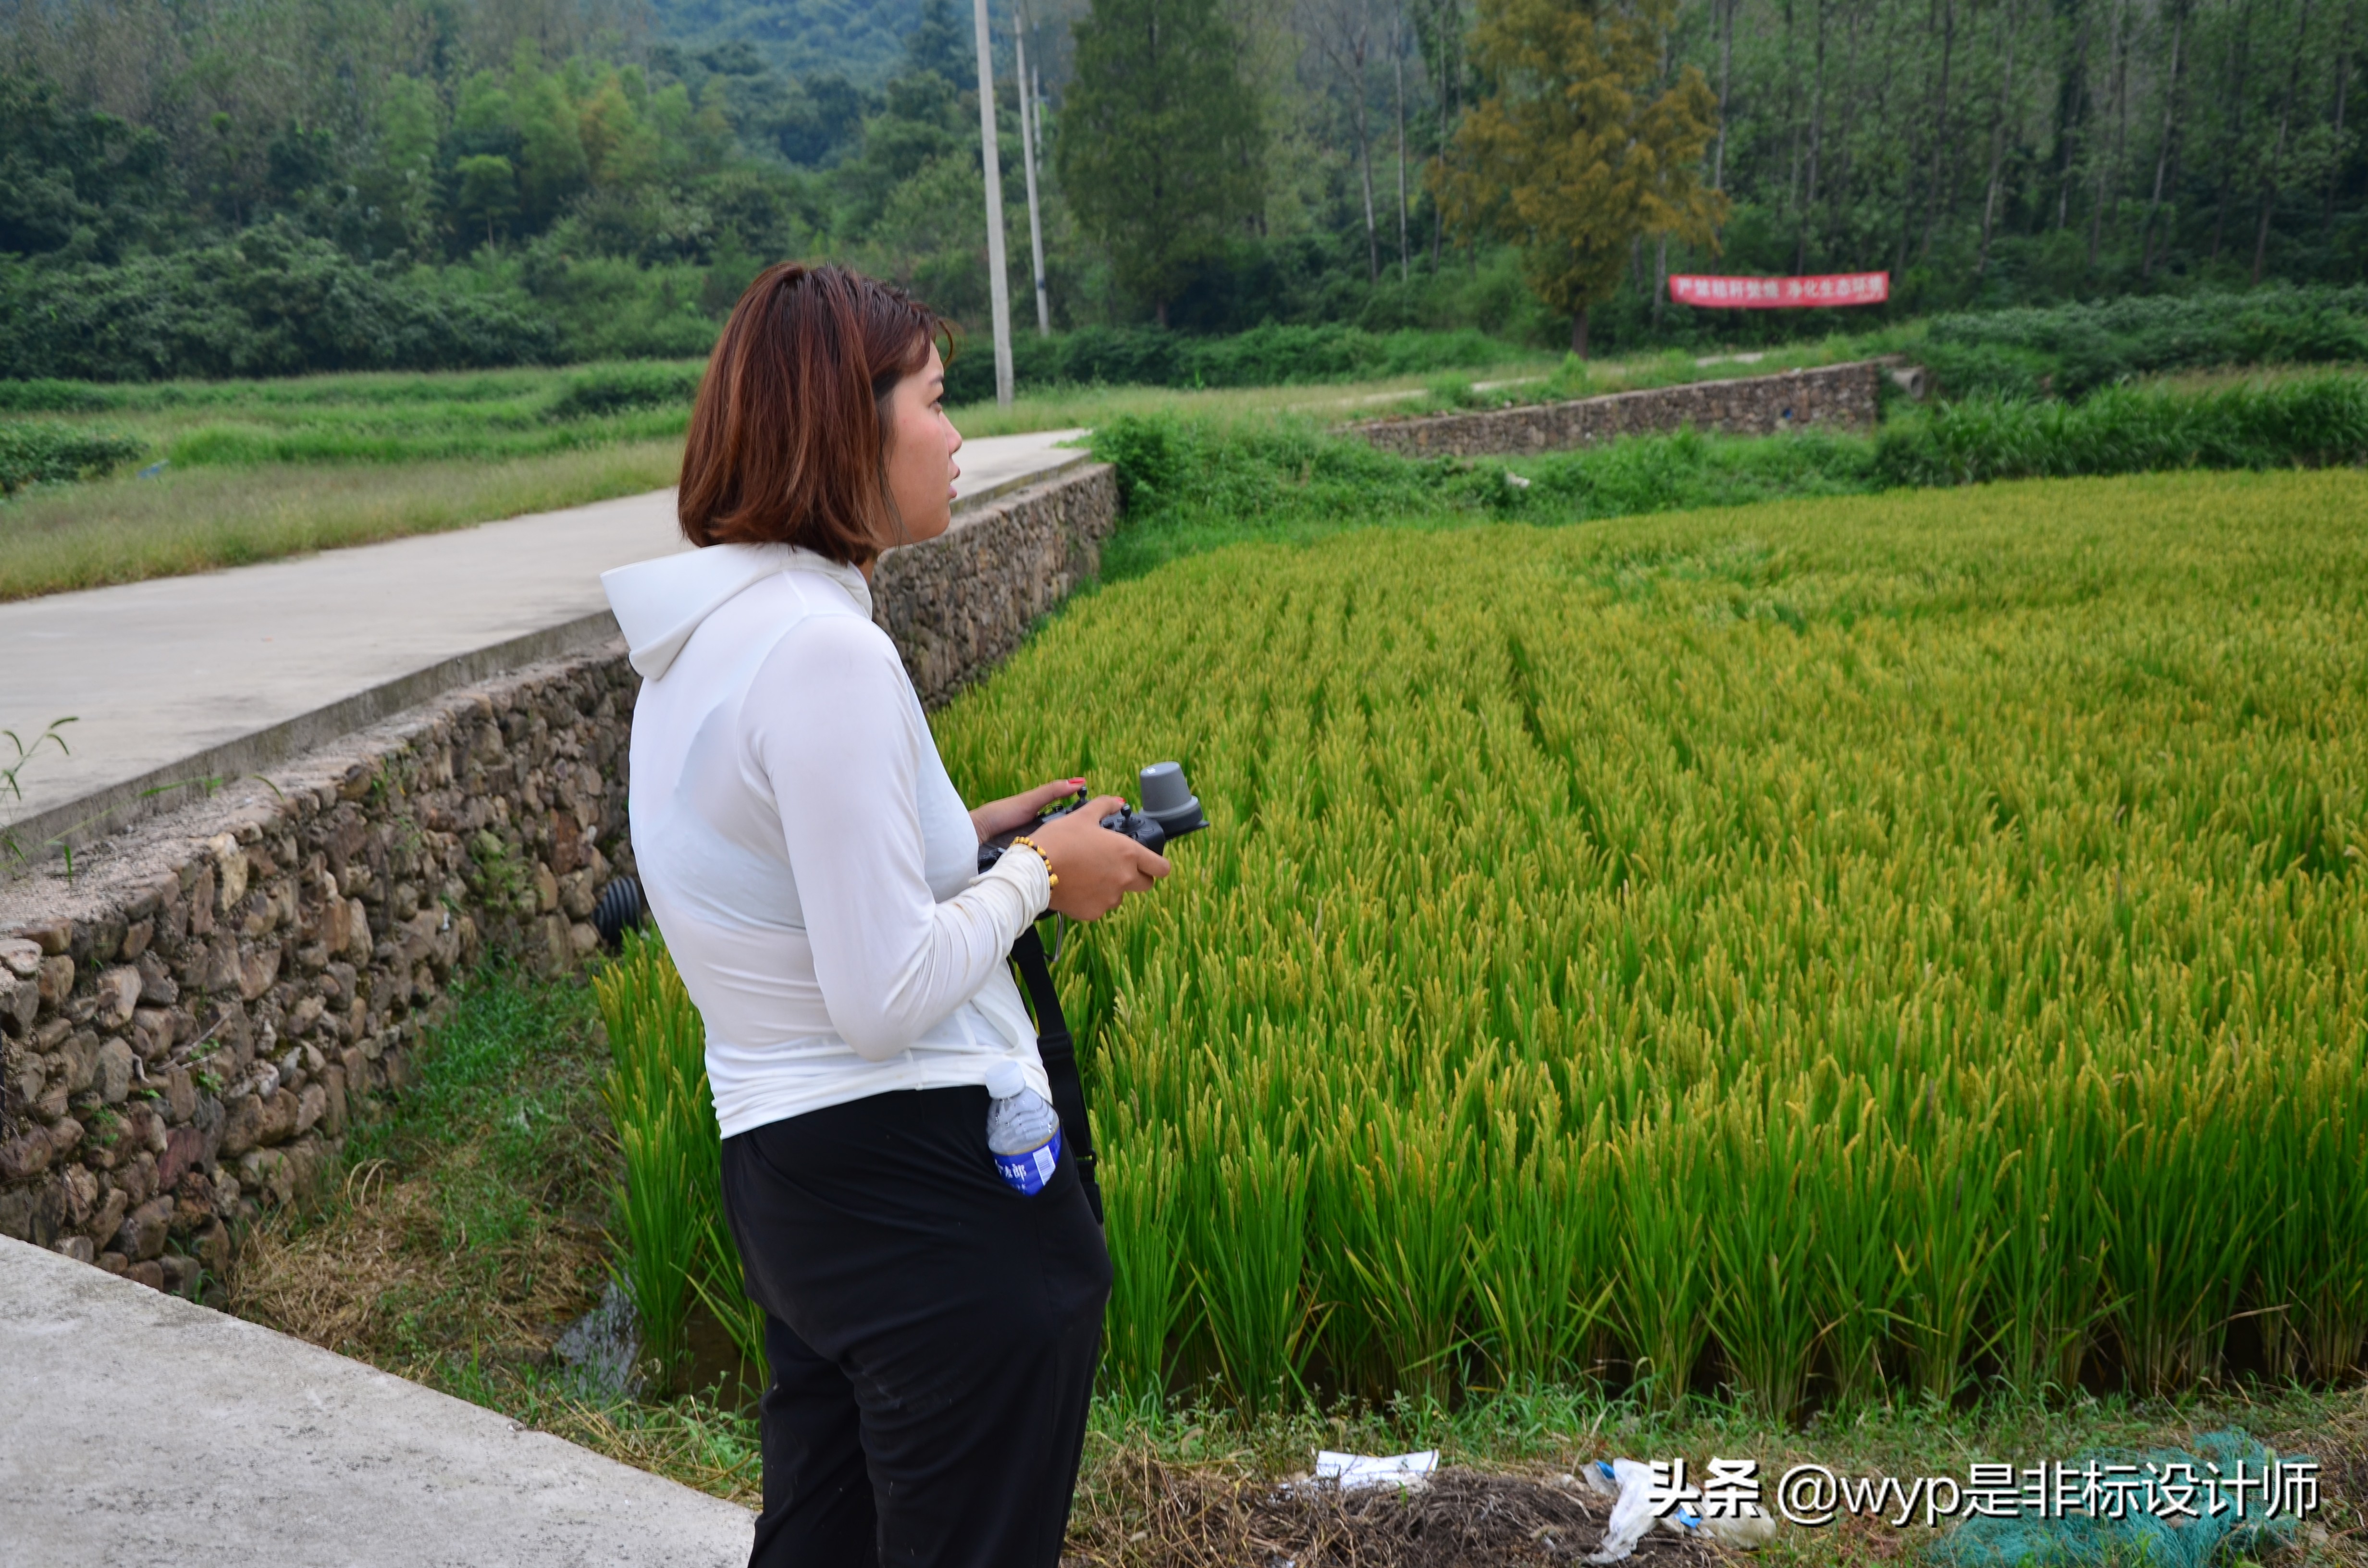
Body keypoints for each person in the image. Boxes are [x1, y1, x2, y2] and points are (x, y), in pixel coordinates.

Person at [599, 262, 1169, 1568]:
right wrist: (1039, 878)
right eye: (935, 398)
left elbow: (773, 881)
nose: (959, 437)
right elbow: (878, 996)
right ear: (843, 425)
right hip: (922, 1192)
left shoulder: (706, 642)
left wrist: (968, 836)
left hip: (795, 1183)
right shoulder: (827, 652)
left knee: (824, 1542)